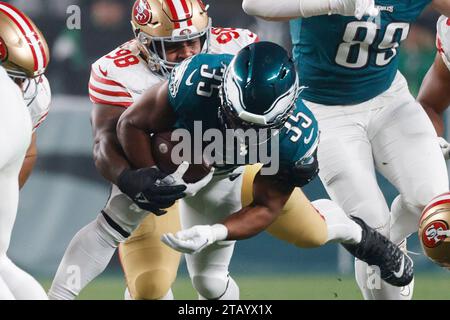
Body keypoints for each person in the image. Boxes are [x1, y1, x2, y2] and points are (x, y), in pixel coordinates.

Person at [116, 41, 413, 300]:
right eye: (234, 116)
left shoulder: (297, 136)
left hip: (240, 173)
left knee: (310, 236)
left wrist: (213, 232)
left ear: (285, 113)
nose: (239, 129)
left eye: (254, 126)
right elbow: (132, 123)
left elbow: (266, 207)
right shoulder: (198, 79)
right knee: (151, 286)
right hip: (181, 168)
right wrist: (150, 174)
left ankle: (359, 234)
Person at [48, 0, 259, 300]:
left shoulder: (237, 47)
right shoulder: (118, 69)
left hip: (231, 167)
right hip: (157, 164)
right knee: (149, 285)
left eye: (193, 41)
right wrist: (128, 177)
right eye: (174, 46)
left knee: (214, 281)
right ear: (145, 43)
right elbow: (104, 141)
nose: (186, 53)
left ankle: (350, 232)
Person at [242, 0, 450, 300]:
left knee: (436, 208)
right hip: (325, 111)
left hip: (390, 98)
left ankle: (397, 228)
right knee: (374, 233)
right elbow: (254, 4)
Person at [0, 1, 50, 300]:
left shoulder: (29, 93)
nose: (21, 88)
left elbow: (26, 150)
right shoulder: (31, 91)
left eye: (21, 79)